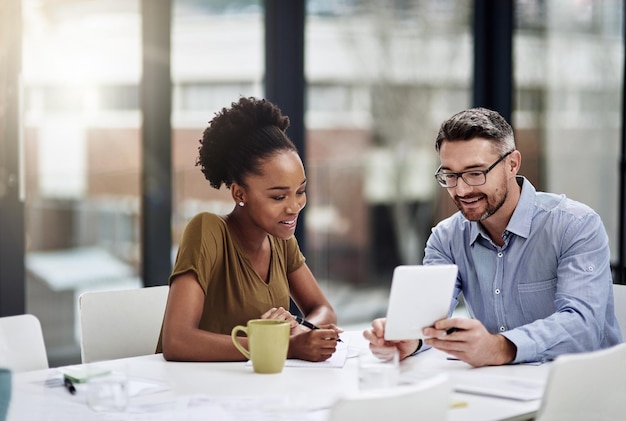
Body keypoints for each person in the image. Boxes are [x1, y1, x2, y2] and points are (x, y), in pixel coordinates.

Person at [364, 107, 623, 367]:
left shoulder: (575, 225)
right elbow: (429, 315)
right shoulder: (446, 238)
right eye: (450, 175)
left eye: (476, 173)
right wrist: (411, 337)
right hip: (501, 386)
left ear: (512, 164)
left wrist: (500, 348)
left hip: (584, 391)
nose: (462, 189)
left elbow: (584, 327)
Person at [157, 97, 341, 362]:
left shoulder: (280, 239)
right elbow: (177, 341)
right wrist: (282, 345)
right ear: (239, 193)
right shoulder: (207, 231)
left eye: (300, 191)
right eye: (278, 197)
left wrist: (301, 330)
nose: (294, 207)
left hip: (253, 389)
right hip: (192, 390)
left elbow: (323, 309)